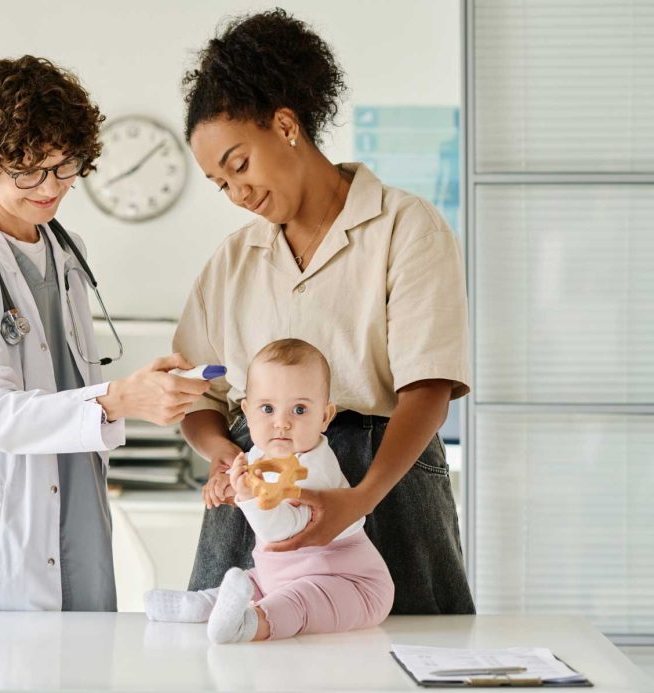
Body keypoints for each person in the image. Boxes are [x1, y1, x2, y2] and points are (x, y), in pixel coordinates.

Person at [174, 9, 474, 614]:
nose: (238, 194)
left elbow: (429, 386)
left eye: (238, 165)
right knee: (242, 654)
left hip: (385, 478)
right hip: (259, 491)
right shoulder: (233, 261)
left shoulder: (402, 227)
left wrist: (358, 498)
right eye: (220, 184)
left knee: (404, 655)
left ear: (285, 125)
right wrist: (227, 455)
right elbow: (197, 393)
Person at [0, 55, 209, 612]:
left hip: (76, 495)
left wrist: (137, 393)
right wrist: (120, 401)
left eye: (64, 166)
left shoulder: (67, 252)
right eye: (28, 170)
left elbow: (65, 379)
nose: (51, 188)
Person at [144, 339, 393, 643]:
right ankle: (195, 606)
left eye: (299, 410)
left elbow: (282, 531)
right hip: (277, 574)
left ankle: (247, 625)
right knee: (251, 582)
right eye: (267, 408)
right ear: (247, 413)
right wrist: (226, 486)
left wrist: (247, 497)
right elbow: (244, 488)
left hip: (348, 582)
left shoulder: (317, 468)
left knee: (299, 602)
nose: (282, 423)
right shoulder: (258, 456)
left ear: (325, 417)